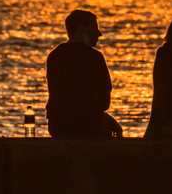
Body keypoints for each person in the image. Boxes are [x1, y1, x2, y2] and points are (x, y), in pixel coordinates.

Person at [45, 9, 123, 138]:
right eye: (94, 27)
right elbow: (104, 101)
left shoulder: (54, 56)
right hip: (88, 126)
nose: (99, 33)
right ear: (81, 28)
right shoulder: (95, 57)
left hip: (58, 126)